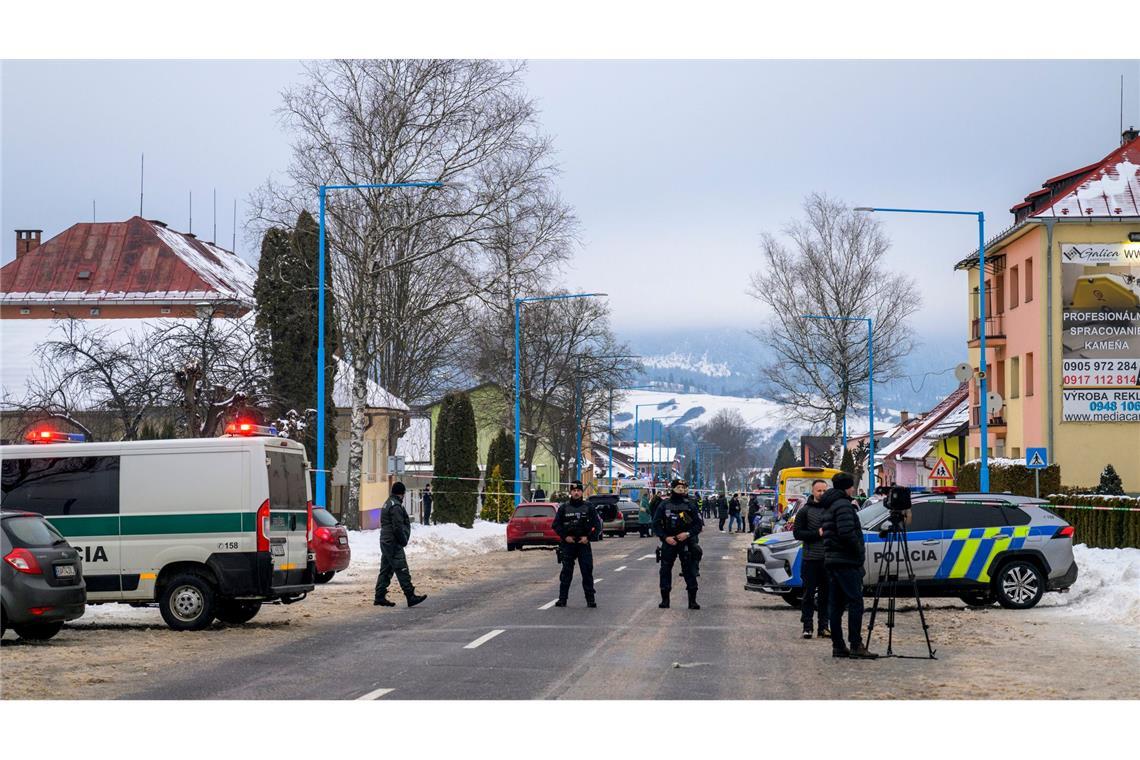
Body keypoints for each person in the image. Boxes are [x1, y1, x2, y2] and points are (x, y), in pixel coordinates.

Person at [821, 472, 877, 659]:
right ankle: (855, 644)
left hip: (833, 560)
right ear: (847, 487)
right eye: (851, 486)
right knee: (855, 602)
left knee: (836, 605)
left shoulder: (829, 505)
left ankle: (838, 645)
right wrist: (858, 549)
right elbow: (846, 533)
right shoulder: (843, 506)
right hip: (846, 560)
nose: (853, 489)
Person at [373, 482, 428, 608]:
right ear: (401, 493)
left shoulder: (388, 503)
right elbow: (398, 526)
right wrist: (403, 540)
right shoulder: (395, 506)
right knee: (402, 568)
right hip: (393, 543)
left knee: (386, 569)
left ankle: (379, 596)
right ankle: (410, 595)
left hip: (386, 541)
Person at [653, 478, 703, 609]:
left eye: (683, 487)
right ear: (672, 488)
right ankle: (665, 600)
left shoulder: (690, 504)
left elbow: (698, 525)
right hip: (669, 542)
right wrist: (665, 538)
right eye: (678, 487)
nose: (681, 490)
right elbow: (656, 524)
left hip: (685, 542)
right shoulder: (664, 505)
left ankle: (692, 601)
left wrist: (687, 534)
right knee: (665, 570)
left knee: (689, 570)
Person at [551, 481, 601, 607]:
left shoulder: (589, 507)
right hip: (569, 544)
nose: (576, 493)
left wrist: (588, 538)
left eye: (578, 490)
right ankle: (562, 599)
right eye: (574, 491)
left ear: (581, 492)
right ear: (570, 492)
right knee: (566, 573)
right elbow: (556, 525)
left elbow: (597, 526)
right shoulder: (564, 508)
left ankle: (590, 600)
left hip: (583, 544)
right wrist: (565, 536)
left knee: (587, 572)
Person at [792, 479, 830, 639]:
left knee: (825, 595)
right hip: (810, 559)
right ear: (812, 492)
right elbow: (797, 533)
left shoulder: (831, 510)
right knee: (808, 595)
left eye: (824, 491)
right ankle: (807, 626)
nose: (821, 493)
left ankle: (824, 627)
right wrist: (816, 534)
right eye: (818, 491)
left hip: (828, 559)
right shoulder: (804, 511)